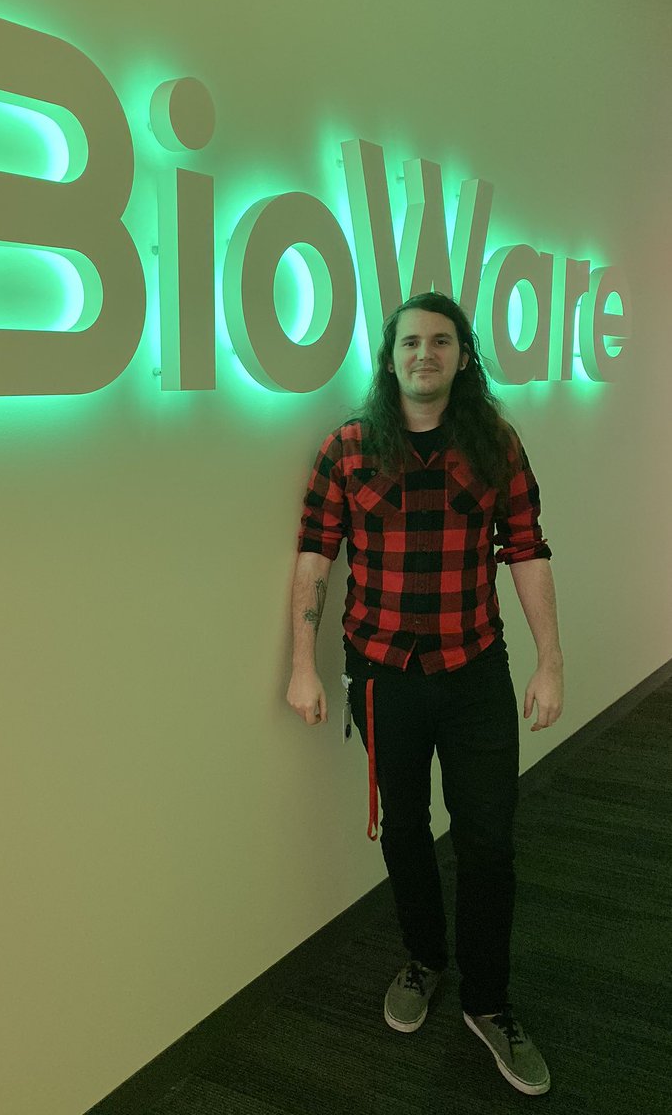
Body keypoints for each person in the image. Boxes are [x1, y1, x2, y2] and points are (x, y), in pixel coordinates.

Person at [287, 291, 563, 1098]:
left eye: (442, 342)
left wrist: (551, 661)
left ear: (463, 357)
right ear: (390, 356)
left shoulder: (494, 444)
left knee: (489, 840)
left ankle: (488, 1000)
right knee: (403, 827)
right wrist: (302, 663)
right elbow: (314, 556)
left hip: (474, 671)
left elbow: (527, 550)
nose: (425, 354)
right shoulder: (348, 448)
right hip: (381, 678)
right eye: (411, 342)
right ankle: (423, 959)